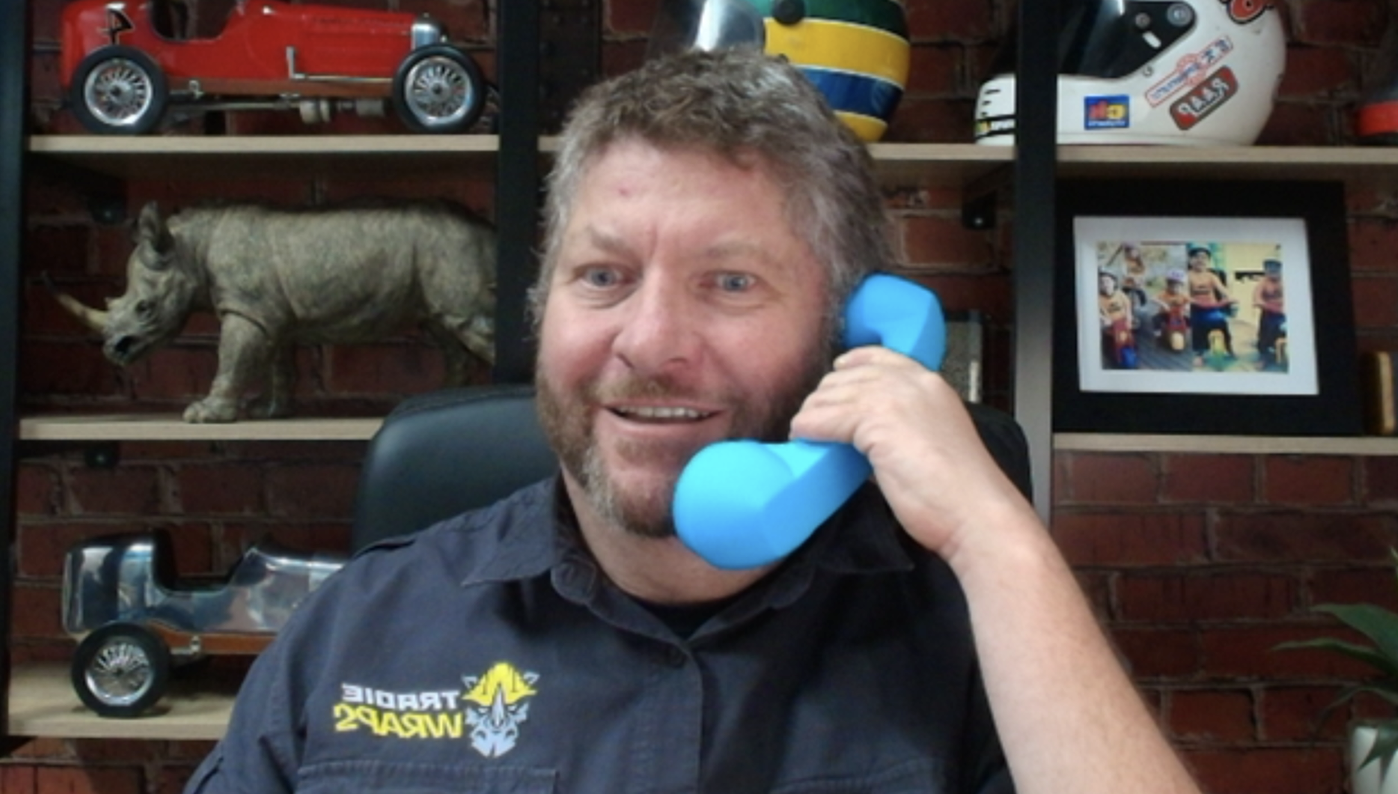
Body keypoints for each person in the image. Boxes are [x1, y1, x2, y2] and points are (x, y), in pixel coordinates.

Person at [183, 48, 1201, 794]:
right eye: (603, 275)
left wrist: (995, 537)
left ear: (852, 335)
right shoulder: (354, 629)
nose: (649, 340)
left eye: (730, 280)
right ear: (541, 305)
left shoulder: (980, 644)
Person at [1184, 244, 1236, 367]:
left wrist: (1229, 297)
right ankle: (1199, 353)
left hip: (1212, 307)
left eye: (1204, 258)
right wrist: (1191, 300)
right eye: (1196, 257)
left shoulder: (1211, 276)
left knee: (1221, 321)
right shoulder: (1188, 276)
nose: (1200, 260)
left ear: (1208, 261)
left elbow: (1222, 289)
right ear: (1190, 260)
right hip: (1196, 308)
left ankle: (1228, 346)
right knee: (1197, 325)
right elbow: (1185, 293)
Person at [1252, 258, 1286, 369]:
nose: (1272, 269)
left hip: (1286, 313)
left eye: (1276, 266)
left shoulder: (1287, 280)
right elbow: (1256, 298)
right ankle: (1264, 355)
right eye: (1269, 266)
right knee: (1267, 329)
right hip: (1270, 314)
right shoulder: (1263, 283)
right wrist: (1266, 305)